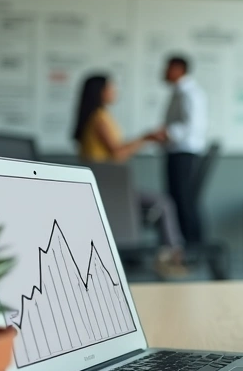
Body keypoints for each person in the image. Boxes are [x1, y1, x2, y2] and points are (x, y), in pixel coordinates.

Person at [72, 73, 188, 278]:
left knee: (161, 203)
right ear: (100, 92)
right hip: (109, 189)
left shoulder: (97, 117)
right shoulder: (99, 119)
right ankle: (172, 256)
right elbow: (117, 153)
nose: (115, 91)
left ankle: (170, 254)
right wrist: (146, 138)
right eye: (111, 87)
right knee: (163, 203)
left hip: (107, 186)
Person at [152, 55, 208, 246]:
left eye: (167, 68)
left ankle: (193, 247)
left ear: (178, 69)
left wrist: (166, 133)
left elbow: (191, 126)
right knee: (176, 201)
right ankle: (181, 246)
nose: (164, 72)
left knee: (184, 202)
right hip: (176, 152)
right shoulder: (178, 92)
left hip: (184, 153)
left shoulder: (189, 93)